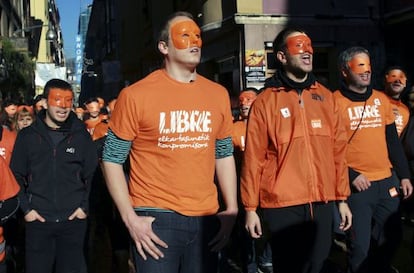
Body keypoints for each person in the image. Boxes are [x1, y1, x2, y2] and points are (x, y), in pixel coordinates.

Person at [101, 11, 238, 273]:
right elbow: (111, 159)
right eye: (185, 36)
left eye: (198, 36)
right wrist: (130, 219)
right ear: (164, 46)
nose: (195, 42)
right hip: (156, 217)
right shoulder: (135, 95)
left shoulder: (218, 94)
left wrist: (231, 208)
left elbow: (223, 153)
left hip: (206, 217)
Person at [240, 27, 352, 273]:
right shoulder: (265, 102)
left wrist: (342, 199)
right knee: (289, 267)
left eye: (309, 46)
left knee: (318, 264)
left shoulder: (326, 97)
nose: (308, 51)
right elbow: (253, 159)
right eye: (299, 46)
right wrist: (250, 209)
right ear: (281, 56)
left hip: (322, 201)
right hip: (282, 204)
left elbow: (338, 152)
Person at [333, 46, 413, 273]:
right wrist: (350, 175)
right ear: (345, 71)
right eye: (360, 66)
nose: (366, 71)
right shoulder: (334, 102)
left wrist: (405, 176)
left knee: (393, 238)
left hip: (387, 181)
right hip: (359, 186)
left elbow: (393, 142)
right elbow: (328, 148)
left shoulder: (381, 99)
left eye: (368, 66)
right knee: (359, 247)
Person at [10, 78, 99, 273]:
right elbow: (15, 174)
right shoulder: (28, 136)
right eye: (57, 99)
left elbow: (93, 174)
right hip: (38, 222)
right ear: (45, 102)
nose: (63, 106)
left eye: (68, 100)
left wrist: (84, 207)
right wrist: (27, 209)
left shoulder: (81, 135)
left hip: (73, 222)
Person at [228, 87, 273, 273]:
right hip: (243, 186)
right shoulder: (233, 128)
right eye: (242, 100)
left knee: (269, 224)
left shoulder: (269, 126)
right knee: (247, 228)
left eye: (249, 100)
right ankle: (251, 263)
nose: (244, 104)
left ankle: (267, 259)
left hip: (267, 186)